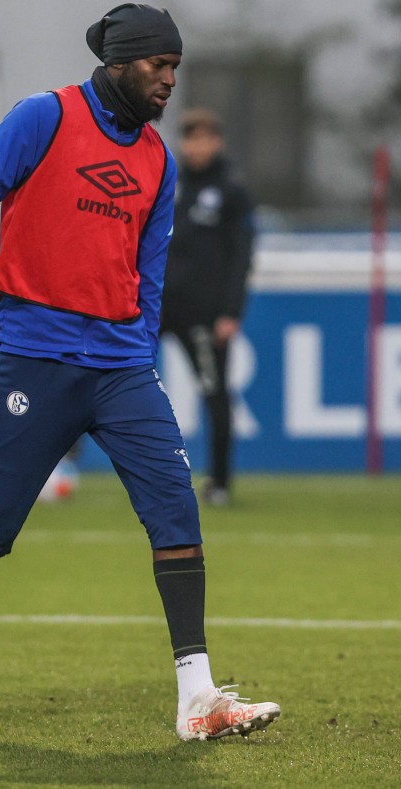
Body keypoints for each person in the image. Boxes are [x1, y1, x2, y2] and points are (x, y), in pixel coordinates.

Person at [0, 3, 280, 741]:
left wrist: (137, 352)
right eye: (158, 67)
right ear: (120, 64)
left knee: (176, 510)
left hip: (121, 367)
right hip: (35, 357)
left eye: (175, 68)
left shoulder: (159, 159)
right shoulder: (43, 116)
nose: (169, 81)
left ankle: (196, 696)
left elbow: (150, 274)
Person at [160, 108, 257, 506]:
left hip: (203, 313)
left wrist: (230, 311)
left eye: (202, 139)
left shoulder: (231, 193)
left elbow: (241, 258)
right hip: (155, 305)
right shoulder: (168, 182)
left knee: (215, 394)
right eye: (189, 139)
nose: (195, 147)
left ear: (217, 143)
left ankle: (219, 482)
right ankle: (69, 464)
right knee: (101, 373)